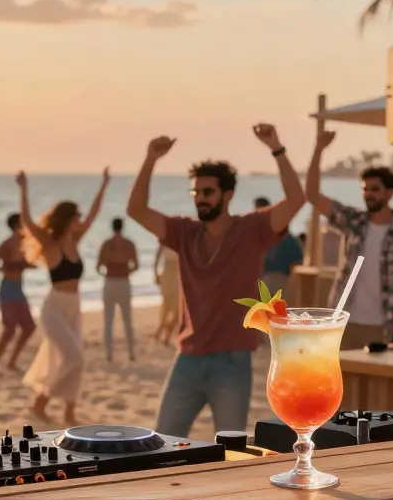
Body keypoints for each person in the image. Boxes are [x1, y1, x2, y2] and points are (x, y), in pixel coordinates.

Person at [127, 124, 304, 437]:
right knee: (162, 440)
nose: (200, 199)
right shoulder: (184, 233)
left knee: (231, 447)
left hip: (232, 361)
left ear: (228, 194)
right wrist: (150, 159)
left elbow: (296, 200)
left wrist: (276, 148)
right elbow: (136, 210)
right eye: (195, 192)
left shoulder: (251, 229)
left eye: (207, 192)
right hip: (187, 358)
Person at [306, 131, 393, 350]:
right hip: (345, 320)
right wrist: (318, 149)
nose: (369, 194)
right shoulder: (354, 222)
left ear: (390, 193)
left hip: (383, 324)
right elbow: (312, 195)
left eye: (375, 189)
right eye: (365, 189)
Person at [18, 168, 110, 424]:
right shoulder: (50, 243)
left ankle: (69, 413)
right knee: (74, 357)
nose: (81, 220)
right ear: (68, 219)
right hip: (54, 308)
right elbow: (27, 221)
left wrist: (104, 185)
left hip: (74, 306)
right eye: (77, 216)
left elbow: (95, 213)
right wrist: (23, 188)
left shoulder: (75, 240)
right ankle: (39, 404)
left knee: (74, 359)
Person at [0, 213, 36, 376]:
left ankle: (12, 362)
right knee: (9, 329)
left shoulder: (25, 244)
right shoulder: (7, 244)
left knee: (29, 327)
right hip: (7, 288)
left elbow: (29, 262)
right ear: (16, 226)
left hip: (18, 288)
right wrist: (4, 268)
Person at [97, 217, 139, 362]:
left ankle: (109, 353)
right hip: (124, 281)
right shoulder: (129, 244)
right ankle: (131, 352)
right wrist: (126, 271)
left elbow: (98, 266)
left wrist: (108, 272)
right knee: (127, 319)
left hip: (110, 281)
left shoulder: (106, 244)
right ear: (122, 227)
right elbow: (136, 265)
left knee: (108, 320)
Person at [254, 196, 303, 297]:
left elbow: (295, 267)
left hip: (276, 282)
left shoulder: (289, 241)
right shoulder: (264, 238)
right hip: (272, 282)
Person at [153, 245, 180, 346]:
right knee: (169, 307)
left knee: (175, 309)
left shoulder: (179, 241)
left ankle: (164, 333)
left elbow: (156, 260)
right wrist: (156, 274)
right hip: (171, 275)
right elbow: (156, 259)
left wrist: (156, 274)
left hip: (174, 275)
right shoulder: (166, 243)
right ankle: (162, 332)